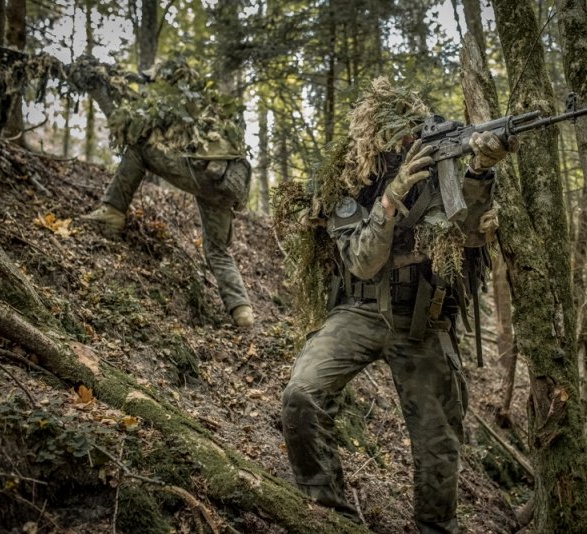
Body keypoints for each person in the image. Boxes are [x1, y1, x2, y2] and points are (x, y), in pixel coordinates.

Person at [279, 78, 515, 533]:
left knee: (438, 440)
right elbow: (363, 263)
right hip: (361, 309)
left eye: (412, 132)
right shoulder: (349, 182)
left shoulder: (441, 167)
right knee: (301, 394)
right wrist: (392, 196)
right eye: (394, 137)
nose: (405, 144)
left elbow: (464, 227)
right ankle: (330, 515)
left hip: (424, 316)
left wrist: (482, 169)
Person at [83, 58, 255, 328]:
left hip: (201, 171)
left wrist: (117, 78)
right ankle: (242, 311)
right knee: (218, 249)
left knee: (138, 146)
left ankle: (112, 212)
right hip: (228, 182)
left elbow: (145, 117)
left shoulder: (181, 99)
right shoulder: (213, 109)